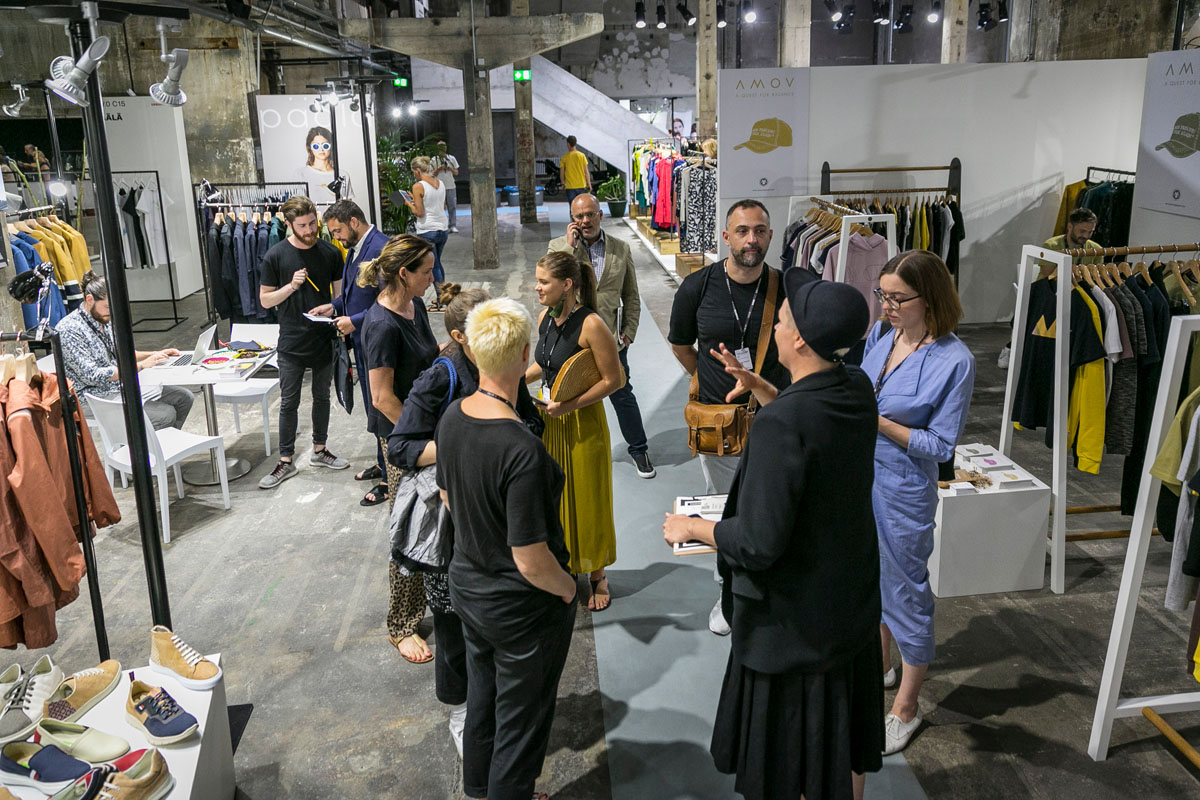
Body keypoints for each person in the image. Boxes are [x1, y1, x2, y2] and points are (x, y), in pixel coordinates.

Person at [663, 270, 883, 800]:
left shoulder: (781, 425)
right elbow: (814, 424)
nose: (776, 327)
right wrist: (764, 388)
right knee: (840, 745)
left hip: (793, 626)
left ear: (801, 340)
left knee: (791, 761)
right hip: (847, 602)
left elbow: (759, 542)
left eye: (782, 321)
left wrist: (694, 527)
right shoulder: (856, 387)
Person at [387, 284, 543, 757]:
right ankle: (461, 711)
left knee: (491, 624)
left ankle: (488, 706)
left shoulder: (501, 372)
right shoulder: (443, 376)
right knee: (452, 623)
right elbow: (400, 447)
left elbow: (530, 422)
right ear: (460, 336)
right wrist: (467, 445)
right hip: (451, 526)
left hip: (497, 518)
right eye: (485, 329)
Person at [435, 296, 577, 800]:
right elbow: (531, 559)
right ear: (523, 355)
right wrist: (568, 589)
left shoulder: (453, 417)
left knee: (484, 700)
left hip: (469, 588)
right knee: (521, 722)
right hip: (519, 606)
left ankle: (478, 789)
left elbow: (447, 496)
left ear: (472, 351)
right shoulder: (522, 449)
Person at [860, 250, 975, 754]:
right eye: (882, 295)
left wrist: (877, 422)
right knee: (871, 578)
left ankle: (907, 707)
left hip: (903, 489)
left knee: (906, 592)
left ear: (928, 299)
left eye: (896, 298)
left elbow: (941, 446)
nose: (885, 306)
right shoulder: (882, 335)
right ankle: (881, 666)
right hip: (862, 476)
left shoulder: (954, 360)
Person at [668, 199, 789, 636]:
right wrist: (709, 381)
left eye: (759, 231)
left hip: (776, 418)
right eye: (742, 231)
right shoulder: (697, 287)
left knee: (775, 506)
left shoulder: (786, 287)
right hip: (719, 422)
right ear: (725, 237)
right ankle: (729, 593)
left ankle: (773, 588)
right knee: (727, 508)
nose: (751, 240)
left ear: (770, 235)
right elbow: (682, 345)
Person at [525, 251, 623, 611]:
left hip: (583, 424)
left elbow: (615, 380)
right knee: (556, 498)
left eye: (543, 282)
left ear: (566, 284)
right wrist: (513, 380)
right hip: (550, 421)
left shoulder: (592, 324)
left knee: (588, 498)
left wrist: (568, 406)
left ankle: (597, 574)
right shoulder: (545, 318)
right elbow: (546, 363)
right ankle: (564, 566)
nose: (537, 288)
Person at [359, 234, 440, 664]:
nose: (433, 277)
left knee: (432, 521)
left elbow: (425, 361)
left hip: (423, 429)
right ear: (404, 273)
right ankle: (401, 624)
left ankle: (431, 600)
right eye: (426, 271)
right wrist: (420, 435)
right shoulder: (382, 325)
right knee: (410, 527)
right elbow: (381, 398)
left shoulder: (415, 306)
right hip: (402, 438)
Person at [547, 193, 655, 479]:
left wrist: (630, 329)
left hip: (611, 339)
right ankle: (567, 456)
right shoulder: (558, 248)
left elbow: (631, 295)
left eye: (590, 214)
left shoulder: (621, 248)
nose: (585, 221)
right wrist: (569, 249)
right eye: (579, 216)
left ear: (600, 215)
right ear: (572, 219)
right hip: (572, 338)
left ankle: (639, 449)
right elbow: (553, 288)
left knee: (621, 392)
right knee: (568, 396)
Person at [257, 195, 349, 489]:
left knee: (322, 397)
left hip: (323, 338)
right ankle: (285, 461)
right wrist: (291, 286)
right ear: (289, 224)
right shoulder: (276, 256)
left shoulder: (330, 252)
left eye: (312, 223)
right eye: (302, 226)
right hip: (291, 342)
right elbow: (265, 300)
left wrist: (334, 310)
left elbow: (340, 296)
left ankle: (320, 450)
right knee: (289, 402)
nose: (310, 230)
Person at [310, 200, 391, 506]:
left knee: (382, 407)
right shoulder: (357, 247)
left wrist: (353, 321)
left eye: (338, 231)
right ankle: (382, 462)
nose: (336, 237)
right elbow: (355, 293)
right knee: (373, 408)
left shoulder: (380, 248)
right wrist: (334, 306)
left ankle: (389, 478)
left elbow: (388, 301)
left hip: (378, 341)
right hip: (364, 340)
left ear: (354, 222)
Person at [57, 270, 194, 430]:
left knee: (184, 398)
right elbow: (92, 376)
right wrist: (140, 366)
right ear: (89, 299)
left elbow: (121, 353)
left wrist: (154, 354)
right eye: (107, 307)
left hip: (118, 387)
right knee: (165, 415)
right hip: (92, 398)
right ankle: (142, 445)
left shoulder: (103, 319)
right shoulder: (70, 330)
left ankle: (160, 443)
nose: (111, 312)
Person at [404, 156, 449, 301]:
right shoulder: (440, 183)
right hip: (443, 228)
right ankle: (443, 295)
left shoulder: (418, 186)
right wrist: (415, 199)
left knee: (434, 266)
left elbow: (420, 213)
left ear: (417, 171)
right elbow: (442, 205)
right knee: (438, 263)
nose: (414, 175)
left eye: (413, 172)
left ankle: (442, 298)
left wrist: (408, 204)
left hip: (428, 230)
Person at [296, 126, 351, 208]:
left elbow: (348, 206)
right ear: (310, 147)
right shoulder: (301, 174)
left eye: (325, 146)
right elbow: (298, 206)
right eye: (316, 146)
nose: (321, 150)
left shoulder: (342, 175)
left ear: (331, 146)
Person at [433, 141, 460, 234]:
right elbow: (431, 174)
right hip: (439, 187)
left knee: (452, 206)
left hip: (450, 186)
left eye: (443, 146)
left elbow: (456, 172)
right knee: (440, 207)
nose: (442, 148)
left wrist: (450, 169)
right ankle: (442, 226)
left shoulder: (451, 158)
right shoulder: (434, 160)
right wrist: (439, 169)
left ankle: (453, 225)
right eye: (440, 146)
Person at [559, 135, 591, 205]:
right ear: (575, 143)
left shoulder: (564, 157)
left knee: (572, 206)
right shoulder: (582, 156)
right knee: (581, 206)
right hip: (581, 185)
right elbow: (586, 172)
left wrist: (563, 183)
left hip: (570, 187)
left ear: (568, 144)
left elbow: (562, 172)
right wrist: (589, 183)